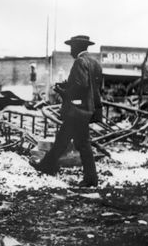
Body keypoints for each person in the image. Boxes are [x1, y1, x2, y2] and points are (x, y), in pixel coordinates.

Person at [32, 35, 102, 187]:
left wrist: (63, 91)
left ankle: (91, 179)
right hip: (86, 110)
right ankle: (48, 166)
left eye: (72, 47)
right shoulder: (95, 62)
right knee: (62, 140)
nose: (70, 50)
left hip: (77, 110)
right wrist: (68, 85)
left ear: (77, 47)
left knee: (81, 144)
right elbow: (92, 87)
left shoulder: (80, 62)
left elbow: (80, 86)